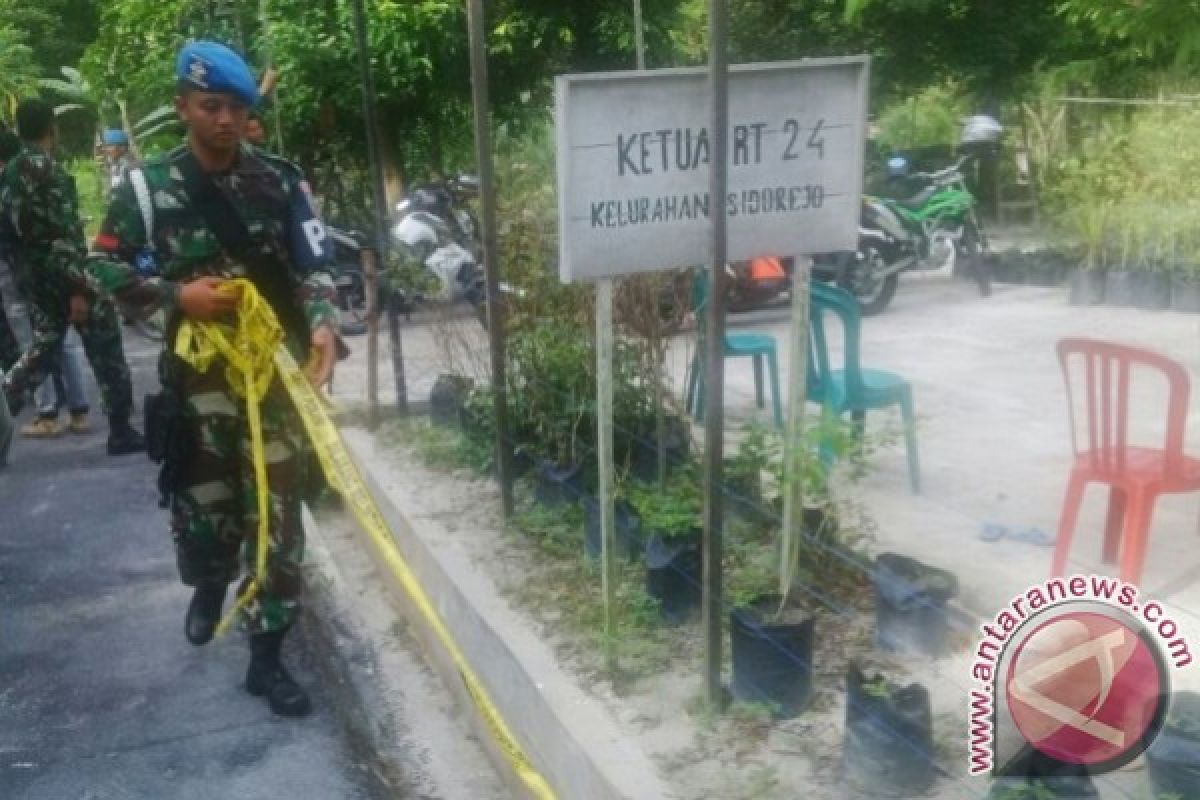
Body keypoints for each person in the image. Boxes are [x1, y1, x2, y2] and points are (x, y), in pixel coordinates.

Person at [88, 41, 339, 717]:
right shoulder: (146, 189)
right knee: (207, 509)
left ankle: (267, 658)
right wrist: (176, 297)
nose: (225, 119)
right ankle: (208, 581)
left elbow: (314, 266)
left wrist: (321, 324)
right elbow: (100, 268)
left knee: (279, 519)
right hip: (199, 382)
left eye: (236, 106)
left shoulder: (282, 181)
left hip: (272, 378)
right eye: (211, 106)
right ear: (182, 108)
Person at [0, 99, 142, 455]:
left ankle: (4, 412)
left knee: (43, 347)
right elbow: (64, 234)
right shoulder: (52, 172)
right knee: (105, 343)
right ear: (52, 128)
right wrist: (79, 288)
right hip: (64, 272)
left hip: (33, 273)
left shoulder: (11, 172)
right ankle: (121, 429)